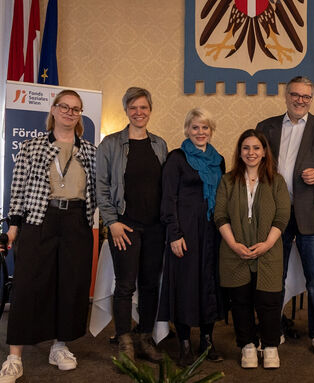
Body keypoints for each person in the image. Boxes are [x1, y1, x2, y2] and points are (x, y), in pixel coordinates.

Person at [0, 90, 97, 381]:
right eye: (64, 107)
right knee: (27, 286)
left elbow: (99, 190)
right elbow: (17, 190)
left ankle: (60, 345)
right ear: (53, 110)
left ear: (80, 115)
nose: (70, 112)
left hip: (77, 222)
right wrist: (13, 228)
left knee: (69, 285)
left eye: (76, 109)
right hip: (40, 219)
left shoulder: (91, 150)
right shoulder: (32, 147)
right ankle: (14, 357)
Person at [256, 76, 314, 356]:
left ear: (311, 98)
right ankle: (275, 329)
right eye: (296, 95)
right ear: (286, 95)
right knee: (274, 277)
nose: (300, 100)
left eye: (306, 96)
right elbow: (255, 163)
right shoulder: (266, 127)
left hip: (312, 213)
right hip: (275, 215)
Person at [96, 87, 168, 362]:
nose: (139, 113)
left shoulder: (159, 144)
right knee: (125, 285)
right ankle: (125, 341)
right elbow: (101, 186)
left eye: (144, 108)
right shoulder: (111, 144)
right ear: (126, 110)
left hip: (154, 228)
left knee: (150, 284)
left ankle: (144, 337)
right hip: (124, 226)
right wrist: (112, 222)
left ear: (150, 110)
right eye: (133, 108)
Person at [215, 129, 290, 369]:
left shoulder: (277, 181)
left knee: (269, 301)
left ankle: (269, 346)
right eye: (246, 148)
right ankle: (247, 345)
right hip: (234, 252)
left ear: (265, 152)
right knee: (240, 301)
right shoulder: (227, 180)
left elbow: (282, 216)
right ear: (239, 152)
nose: (251, 152)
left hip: (269, 252)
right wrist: (234, 245)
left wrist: (267, 244)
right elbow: (220, 215)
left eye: (256, 148)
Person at [157, 108, 225, 366]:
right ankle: (184, 343)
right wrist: (174, 234)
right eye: (195, 127)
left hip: (211, 232)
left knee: (210, 283)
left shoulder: (218, 160)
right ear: (187, 129)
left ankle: (207, 339)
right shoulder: (177, 158)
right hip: (184, 233)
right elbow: (168, 199)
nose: (200, 132)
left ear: (211, 130)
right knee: (185, 286)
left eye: (205, 127)